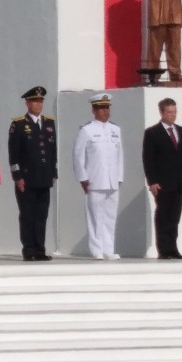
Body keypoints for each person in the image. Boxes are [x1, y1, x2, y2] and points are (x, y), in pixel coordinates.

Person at [72, 93, 124, 260]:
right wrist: (82, 177)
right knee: (95, 217)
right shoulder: (87, 130)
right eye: (101, 108)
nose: (105, 111)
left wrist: (119, 177)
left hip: (112, 180)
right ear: (93, 110)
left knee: (110, 216)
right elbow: (78, 156)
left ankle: (109, 249)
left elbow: (120, 155)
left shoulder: (116, 130)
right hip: (94, 179)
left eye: (107, 107)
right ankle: (96, 249)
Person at [8, 86, 57, 261]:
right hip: (27, 178)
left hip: (44, 177)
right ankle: (29, 250)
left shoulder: (49, 122)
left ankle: (40, 249)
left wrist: (53, 171)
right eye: (35, 101)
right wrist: (17, 176)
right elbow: (14, 154)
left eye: (41, 101)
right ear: (27, 103)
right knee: (28, 215)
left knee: (41, 215)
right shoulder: (19, 124)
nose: (38, 104)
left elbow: (52, 150)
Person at [142, 97, 182, 259]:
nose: (173, 115)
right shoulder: (152, 133)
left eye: (175, 112)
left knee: (174, 217)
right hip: (162, 182)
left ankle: (173, 249)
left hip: (179, 182)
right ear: (162, 112)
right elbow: (148, 159)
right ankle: (164, 250)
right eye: (170, 112)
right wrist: (152, 182)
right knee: (163, 216)